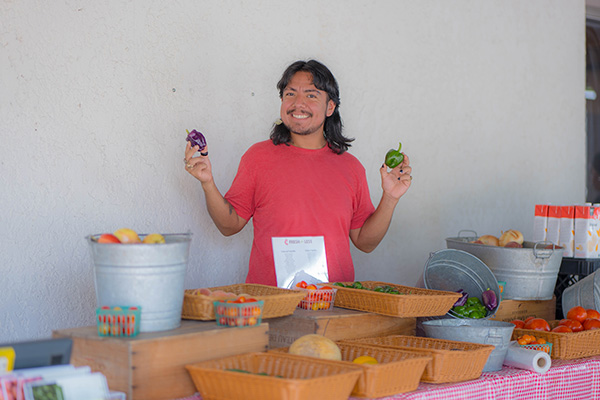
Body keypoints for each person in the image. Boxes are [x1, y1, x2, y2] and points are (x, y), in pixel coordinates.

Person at [184, 59, 412, 287]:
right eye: (290, 94)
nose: (298, 104)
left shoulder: (351, 167)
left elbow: (365, 242)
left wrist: (390, 198)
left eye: (311, 95)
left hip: (335, 305)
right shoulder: (258, 157)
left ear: (330, 107)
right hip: (272, 305)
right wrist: (208, 183)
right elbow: (229, 226)